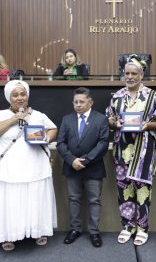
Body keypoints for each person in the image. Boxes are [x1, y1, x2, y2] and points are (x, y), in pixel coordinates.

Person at [0, 80, 58, 251]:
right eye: (15, 95)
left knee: (35, 200)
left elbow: (53, 129)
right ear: (9, 98)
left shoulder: (38, 115)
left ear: (27, 96)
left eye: (23, 94)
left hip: (35, 169)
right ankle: (8, 235)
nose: (20, 98)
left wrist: (48, 138)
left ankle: (38, 231)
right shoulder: (0, 115)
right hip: (8, 171)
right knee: (10, 203)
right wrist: (13, 119)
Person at [106, 55, 156, 246]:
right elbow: (108, 119)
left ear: (142, 74)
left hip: (144, 151)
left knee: (142, 189)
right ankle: (127, 226)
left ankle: (142, 228)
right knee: (124, 189)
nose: (130, 76)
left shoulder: (153, 96)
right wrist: (115, 123)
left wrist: (147, 125)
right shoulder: (116, 97)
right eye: (127, 73)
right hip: (121, 151)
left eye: (134, 73)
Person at [57, 87, 109, 248]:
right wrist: (72, 160)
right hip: (72, 167)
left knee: (94, 200)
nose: (78, 105)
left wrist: (85, 160)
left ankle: (94, 232)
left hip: (93, 167)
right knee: (73, 199)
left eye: (82, 101)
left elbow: (103, 143)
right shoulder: (67, 119)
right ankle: (75, 229)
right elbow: (60, 143)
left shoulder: (101, 119)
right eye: (75, 102)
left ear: (90, 102)